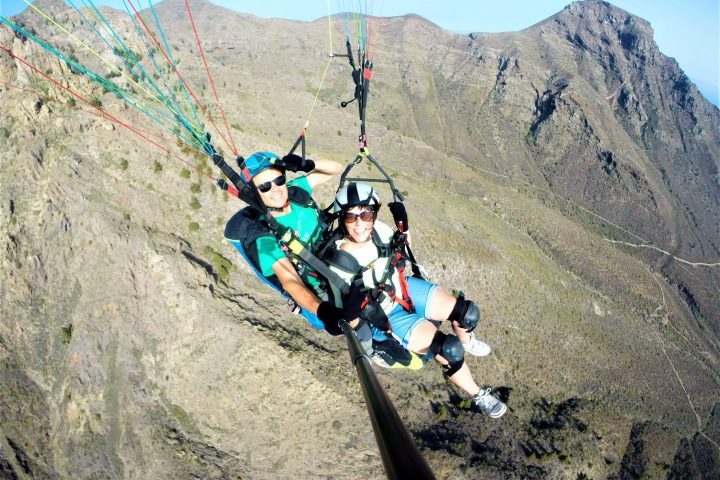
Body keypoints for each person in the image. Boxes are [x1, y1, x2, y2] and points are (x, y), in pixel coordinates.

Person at [325, 182, 507, 418]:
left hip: (401, 286)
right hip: (385, 313)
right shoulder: (340, 260)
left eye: (366, 214)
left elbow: (401, 248)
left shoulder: (378, 230)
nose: (359, 223)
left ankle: (468, 341)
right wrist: (358, 327)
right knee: (448, 350)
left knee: (467, 313)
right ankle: (478, 395)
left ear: (373, 215)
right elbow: (344, 313)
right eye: (351, 216)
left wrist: (404, 227)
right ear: (342, 218)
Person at [224, 151, 371, 341]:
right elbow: (289, 280)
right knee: (357, 322)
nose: (275, 189)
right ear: (254, 192)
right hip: (316, 284)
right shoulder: (262, 234)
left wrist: (307, 164)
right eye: (265, 186)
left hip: (332, 257)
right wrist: (325, 312)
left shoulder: (295, 193)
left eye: (279, 180)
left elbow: (335, 168)